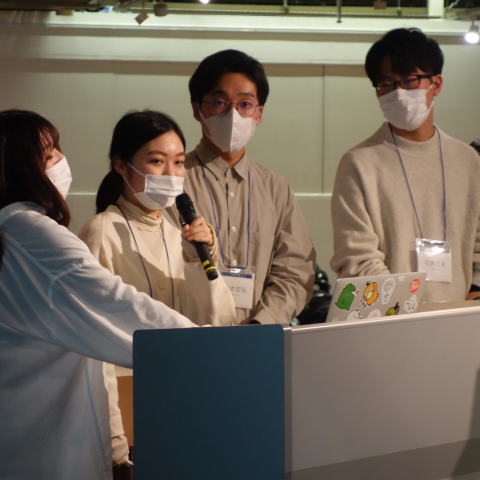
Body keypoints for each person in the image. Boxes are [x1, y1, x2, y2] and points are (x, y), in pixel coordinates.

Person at [0, 109, 197, 480]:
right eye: (49, 154)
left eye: (179, 161)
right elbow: (119, 311)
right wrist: (222, 351)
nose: (62, 160)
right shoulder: (34, 234)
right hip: (49, 449)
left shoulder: (13, 231)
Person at [78, 110, 236, 476]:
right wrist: (115, 447)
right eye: (156, 161)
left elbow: (216, 322)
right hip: (129, 412)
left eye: (178, 162)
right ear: (121, 165)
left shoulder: (178, 233)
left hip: (184, 400)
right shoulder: (101, 231)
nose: (170, 174)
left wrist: (199, 260)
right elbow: (95, 348)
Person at [331, 28, 480, 303]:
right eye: (385, 84)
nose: (397, 93)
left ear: (436, 84)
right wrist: (405, 310)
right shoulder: (359, 164)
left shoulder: (468, 160)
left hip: (460, 317)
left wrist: (475, 289)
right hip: (394, 320)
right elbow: (357, 257)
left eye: (409, 80)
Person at [184, 49, 316, 325]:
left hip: (259, 337)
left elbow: (295, 271)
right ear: (197, 109)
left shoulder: (276, 188)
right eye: (219, 102)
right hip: (188, 334)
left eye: (245, 104)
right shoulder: (175, 181)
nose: (233, 114)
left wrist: (261, 325)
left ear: (259, 113)